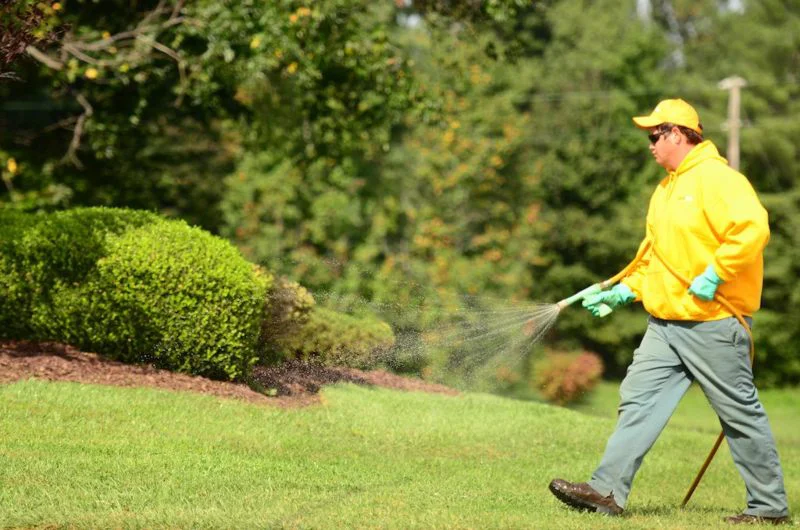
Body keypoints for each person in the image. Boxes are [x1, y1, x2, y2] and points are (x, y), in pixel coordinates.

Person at [548, 99, 790, 525]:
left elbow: (753, 228)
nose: (650, 145)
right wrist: (624, 292)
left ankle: (769, 507)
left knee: (738, 415)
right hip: (665, 325)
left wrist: (716, 273)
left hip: (713, 322)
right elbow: (657, 260)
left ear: (677, 133)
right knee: (637, 400)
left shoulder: (718, 179)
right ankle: (606, 491)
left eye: (654, 136)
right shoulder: (666, 189)